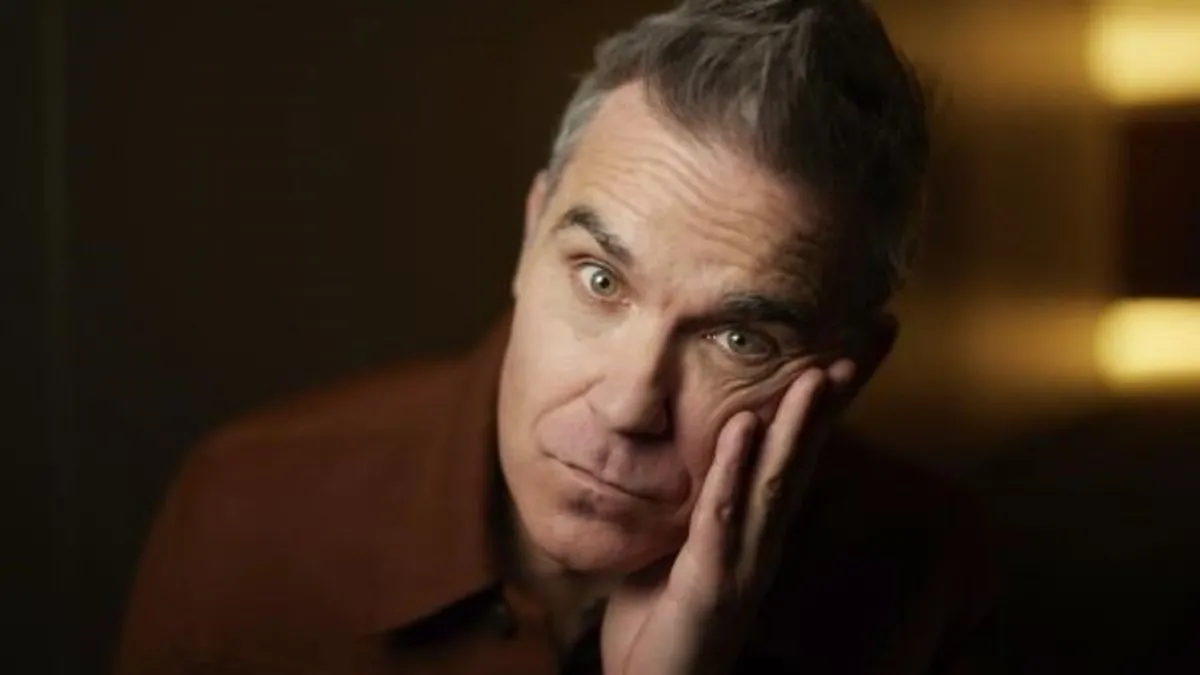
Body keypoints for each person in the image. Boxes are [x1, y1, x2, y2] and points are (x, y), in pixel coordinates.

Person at [117, 1, 996, 673]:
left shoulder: (936, 581)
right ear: (532, 232)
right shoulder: (248, 516)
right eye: (600, 279)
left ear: (852, 370)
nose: (627, 406)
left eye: (738, 339)